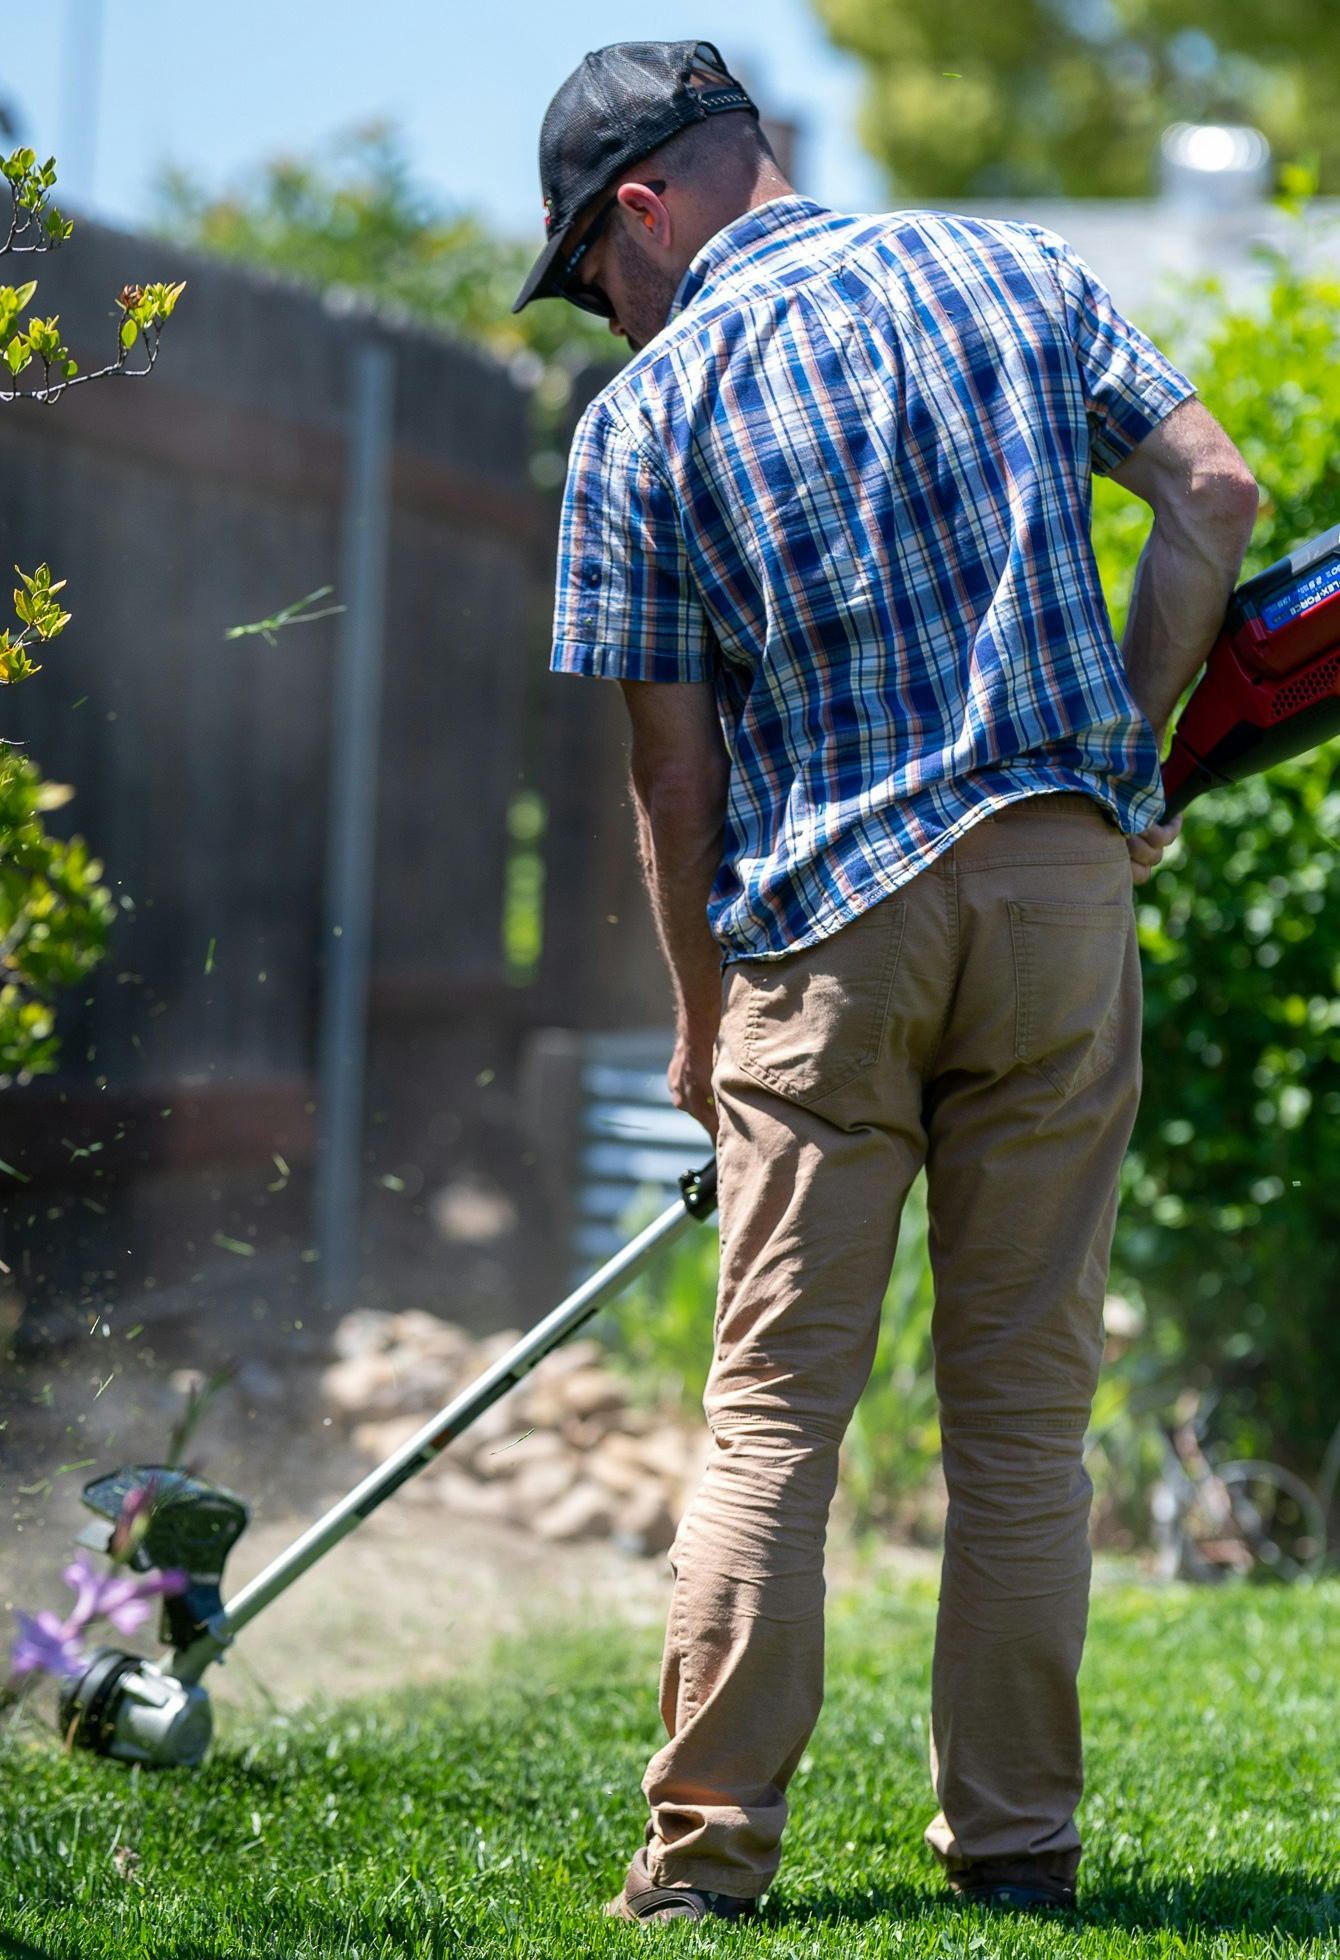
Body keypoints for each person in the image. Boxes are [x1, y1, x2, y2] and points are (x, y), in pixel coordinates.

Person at [516, 39, 1259, 1927]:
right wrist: (1129, 765)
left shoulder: (645, 420)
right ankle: (1017, 1851)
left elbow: (673, 786)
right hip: (1060, 900)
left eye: (596, 281)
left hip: (828, 941)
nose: (609, 319)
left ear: (642, 212)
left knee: (775, 1415)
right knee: (1024, 1417)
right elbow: (1218, 495)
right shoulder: (1017, 268)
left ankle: (705, 1868)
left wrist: (702, 1032)